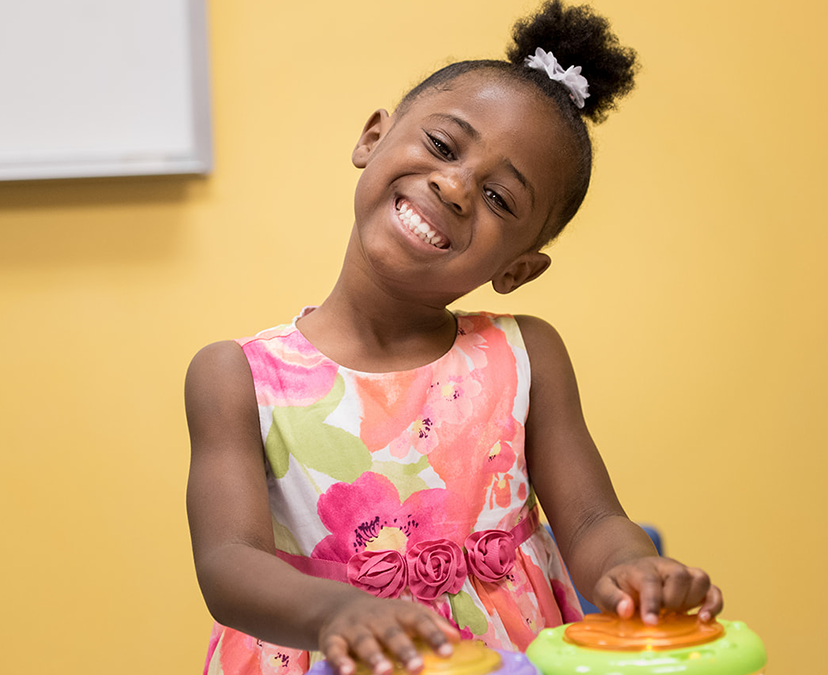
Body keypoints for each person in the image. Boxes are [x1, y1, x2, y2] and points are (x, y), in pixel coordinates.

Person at [185, 3, 722, 675]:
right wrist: (335, 612)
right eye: (443, 146)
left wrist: (636, 568)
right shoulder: (236, 377)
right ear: (373, 137)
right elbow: (228, 564)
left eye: (501, 199)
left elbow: (590, 526)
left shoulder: (527, 358)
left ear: (517, 270)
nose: (456, 186)